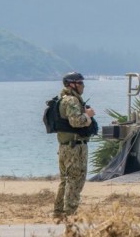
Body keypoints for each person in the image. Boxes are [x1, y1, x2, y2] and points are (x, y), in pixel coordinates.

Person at [53, 72, 95, 218]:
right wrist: (88, 115)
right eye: (80, 83)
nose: (83, 86)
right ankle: (70, 213)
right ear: (72, 84)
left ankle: (59, 212)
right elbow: (75, 121)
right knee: (76, 180)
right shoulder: (71, 101)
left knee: (66, 180)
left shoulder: (63, 99)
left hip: (65, 146)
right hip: (75, 147)